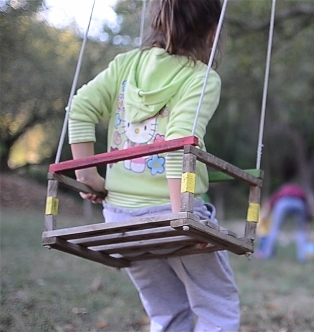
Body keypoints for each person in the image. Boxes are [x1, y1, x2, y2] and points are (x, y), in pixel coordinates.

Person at [67, 1, 240, 330]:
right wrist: (181, 217)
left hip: (119, 218)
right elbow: (180, 144)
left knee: (166, 311)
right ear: (212, 32)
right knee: (218, 307)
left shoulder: (124, 65)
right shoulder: (201, 78)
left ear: (157, 22)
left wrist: (87, 174)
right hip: (173, 212)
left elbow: (81, 106)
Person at [256, 183, 313, 262]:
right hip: (299, 203)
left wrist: (263, 217)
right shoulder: (300, 190)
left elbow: (271, 202)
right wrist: (308, 222)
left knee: (274, 229)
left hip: (283, 202)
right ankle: (302, 257)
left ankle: (267, 254)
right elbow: (308, 207)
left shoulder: (283, 189)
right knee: (301, 231)